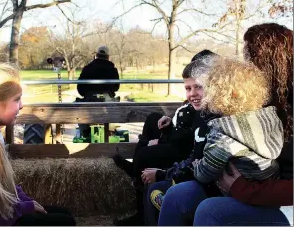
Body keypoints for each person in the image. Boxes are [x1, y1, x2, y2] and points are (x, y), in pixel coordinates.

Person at [157, 57, 284, 226]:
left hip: (245, 196)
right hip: (268, 189)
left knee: (204, 206)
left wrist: (197, 165)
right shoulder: (268, 119)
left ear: (220, 95)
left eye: (207, 88)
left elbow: (205, 173)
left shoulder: (225, 135)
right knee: (176, 194)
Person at [192, 23, 293, 226]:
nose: (245, 66)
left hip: (280, 205)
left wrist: (242, 188)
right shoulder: (261, 103)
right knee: (181, 194)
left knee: (209, 210)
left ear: (270, 62)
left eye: (249, 57)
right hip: (246, 187)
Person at [0, 63, 76, 226]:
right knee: (64, 222)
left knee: (63, 214)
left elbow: (5, 185)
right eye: (17, 99)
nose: (22, 105)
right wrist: (24, 208)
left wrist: (26, 202)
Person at [113, 50, 218, 226]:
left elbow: (191, 142)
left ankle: (139, 189)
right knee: (153, 118)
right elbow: (185, 116)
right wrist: (170, 119)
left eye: (198, 86)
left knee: (145, 155)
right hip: (177, 134)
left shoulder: (207, 113)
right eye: (188, 88)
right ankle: (136, 172)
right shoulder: (195, 102)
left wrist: (162, 142)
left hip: (181, 146)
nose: (192, 92)